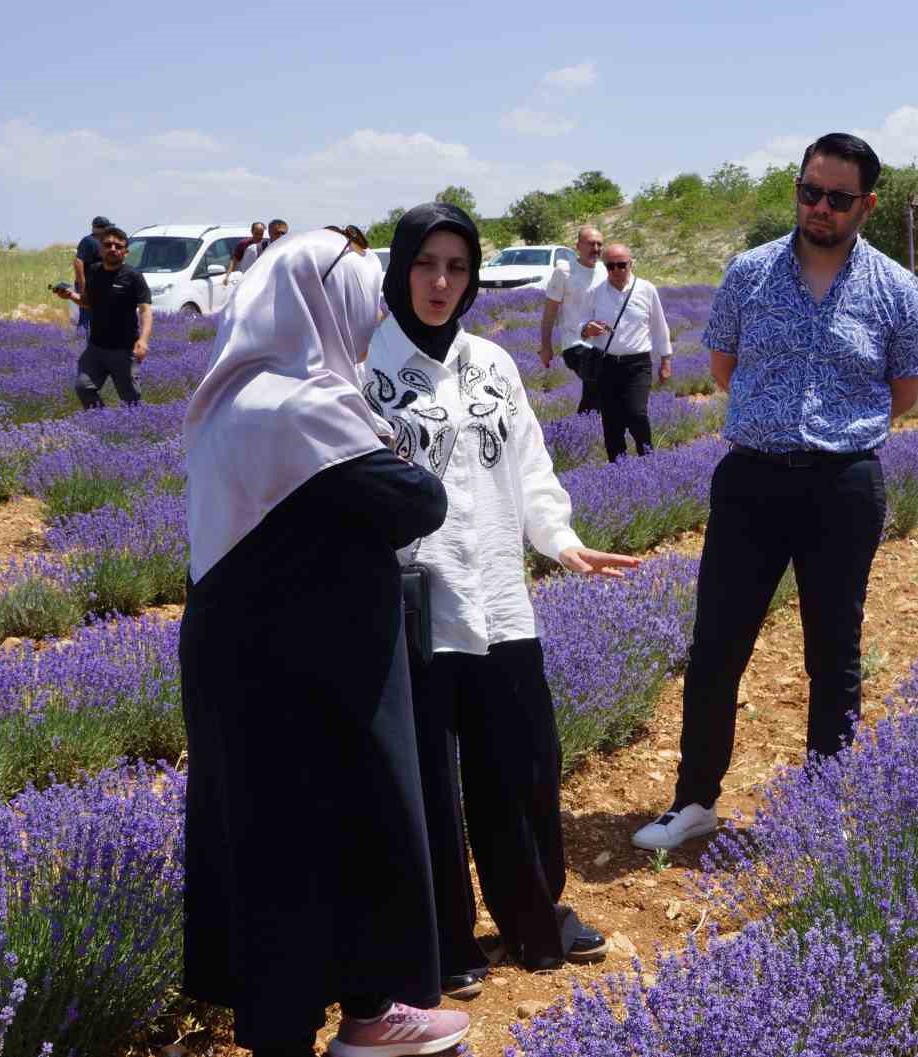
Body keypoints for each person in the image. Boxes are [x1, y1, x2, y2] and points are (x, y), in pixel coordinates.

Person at [179, 227, 469, 1057]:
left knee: (290, 836)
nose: (371, 314)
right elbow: (417, 503)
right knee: (313, 838)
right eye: (363, 299)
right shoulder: (301, 404)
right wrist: (391, 447)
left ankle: (364, 1007)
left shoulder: (231, 392)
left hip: (266, 658)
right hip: (299, 672)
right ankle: (317, 1025)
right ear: (323, 303)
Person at [363, 202, 639, 991]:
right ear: (400, 269)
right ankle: (443, 940)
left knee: (521, 763)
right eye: (426, 264)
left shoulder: (493, 363)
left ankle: (533, 916)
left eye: (457, 267)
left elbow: (529, 466)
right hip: (411, 606)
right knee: (424, 784)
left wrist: (561, 538)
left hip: (499, 598)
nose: (441, 282)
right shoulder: (363, 372)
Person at [632, 132, 918, 851]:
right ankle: (695, 799)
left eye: (836, 197)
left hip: (843, 484)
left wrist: (831, 428)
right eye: (808, 191)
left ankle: (823, 809)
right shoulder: (749, 273)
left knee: (833, 652)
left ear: (867, 204)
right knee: (715, 648)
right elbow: (726, 367)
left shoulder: (895, 288)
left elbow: (906, 391)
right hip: (752, 479)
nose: (818, 208)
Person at [578, 244, 671, 461]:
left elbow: (659, 326)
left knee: (636, 413)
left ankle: (647, 458)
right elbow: (580, 326)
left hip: (638, 365)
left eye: (622, 265)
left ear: (631, 264)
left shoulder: (646, 289)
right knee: (612, 421)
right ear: (605, 267)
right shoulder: (595, 292)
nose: (617, 270)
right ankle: (618, 467)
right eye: (611, 266)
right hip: (606, 363)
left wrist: (666, 360)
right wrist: (587, 329)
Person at [54, 225, 152, 409]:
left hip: (123, 350)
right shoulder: (94, 272)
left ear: (126, 252)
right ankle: (102, 421)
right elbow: (89, 302)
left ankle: (132, 433)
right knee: (83, 387)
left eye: (118, 246)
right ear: (101, 249)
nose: (112, 249)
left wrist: (143, 339)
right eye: (108, 245)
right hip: (96, 348)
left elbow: (145, 310)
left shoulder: (133, 277)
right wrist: (71, 296)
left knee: (131, 399)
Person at [539, 225, 607, 413]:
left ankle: (585, 430)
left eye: (599, 244)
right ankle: (585, 429)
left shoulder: (605, 270)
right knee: (596, 379)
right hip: (574, 343)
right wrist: (546, 346)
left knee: (598, 392)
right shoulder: (564, 270)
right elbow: (550, 312)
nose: (595, 249)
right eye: (590, 244)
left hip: (602, 344)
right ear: (578, 246)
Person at [71, 214, 110, 332]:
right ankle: (81, 341)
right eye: (104, 227)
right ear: (96, 228)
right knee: (86, 317)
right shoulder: (88, 241)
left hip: (101, 286)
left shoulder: (104, 242)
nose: (107, 230)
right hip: (88, 286)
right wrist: (83, 286)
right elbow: (78, 262)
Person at [225, 221, 267, 285]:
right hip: (245, 278)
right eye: (256, 234)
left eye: (261, 234)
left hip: (260, 278)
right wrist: (227, 276)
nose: (259, 236)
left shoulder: (266, 244)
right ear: (252, 232)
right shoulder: (244, 244)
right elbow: (234, 261)